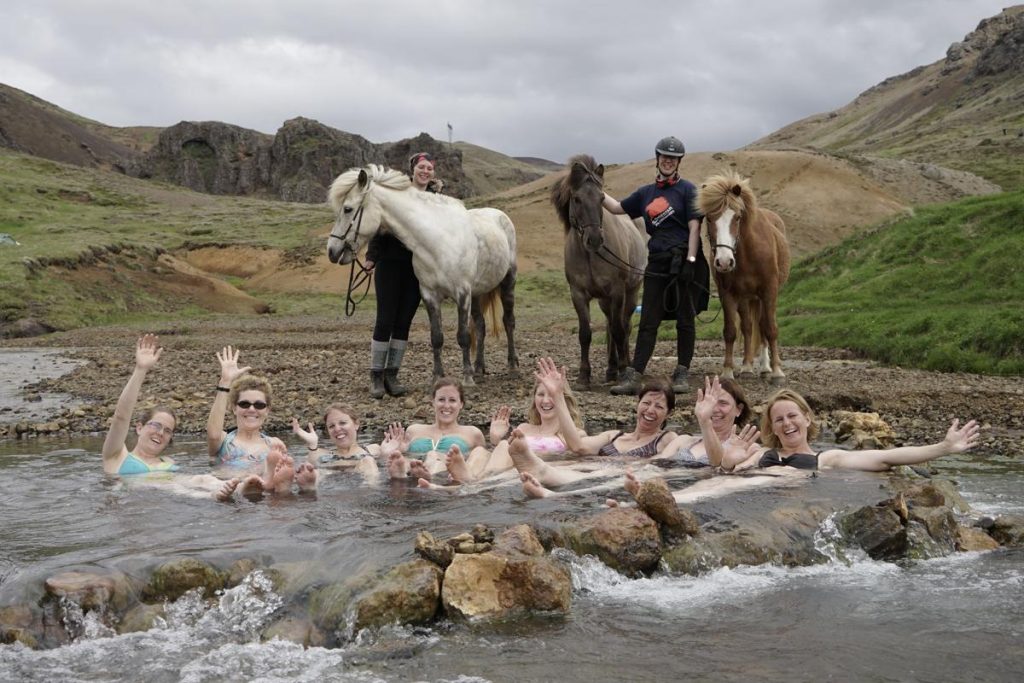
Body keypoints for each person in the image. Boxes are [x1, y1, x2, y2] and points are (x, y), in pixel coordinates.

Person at [602, 136, 710, 395]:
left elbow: (695, 227)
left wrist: (691, 261)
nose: (668, 161)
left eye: (672, 158)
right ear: (658, 159)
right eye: (664, 157)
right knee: (648, 321)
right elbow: (617, 208)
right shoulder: (645, 193)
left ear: (678, 162)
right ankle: (634, 375)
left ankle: (682, 373)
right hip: (657, 262)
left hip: (683, 260)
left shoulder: (688, 190)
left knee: (685, 320)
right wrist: (596, 190)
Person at [100, 335, 252, 501]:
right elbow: (121, 416)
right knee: (168, 485)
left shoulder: (167, 462)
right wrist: (140, 370)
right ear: (139, 427)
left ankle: (237, 487)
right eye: (155, 425)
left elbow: (180, 486)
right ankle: (217, 494)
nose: (160, 433)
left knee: (202, 479)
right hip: (130, 501)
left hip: (167, 496)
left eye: (167, 431)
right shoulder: (116, 455)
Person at [730, 389, 981, 472]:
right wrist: (727, 460)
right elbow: (725, 467)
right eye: (779, 419)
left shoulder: (826, 458)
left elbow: (887, 457)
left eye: (792, 416)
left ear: (807, 419)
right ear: (772, 427)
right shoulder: (759, 451)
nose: (787, 424)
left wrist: (943, 448)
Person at [362, 151, 442, 399]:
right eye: (422, 167)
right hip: (389, 263)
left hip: (417, 267)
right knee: (385, 319)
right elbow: (380, 225)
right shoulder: (398, 193)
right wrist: (372, 256)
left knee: (404, 321)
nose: (425, 171)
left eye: (429, 168)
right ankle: (376, 375)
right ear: (413, 169)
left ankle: (392, 375)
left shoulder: (435, 199)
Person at [206, 346, 316, 492]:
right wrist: (225, 382)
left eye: (259, 405)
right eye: (244, 404)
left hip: (264, 491)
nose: (252, 409)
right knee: (201, 480)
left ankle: (283, 483)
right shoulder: (223, 440)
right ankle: (268, 483)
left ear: (267, 410)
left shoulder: (274, 444)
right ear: (234, 408)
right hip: (231, 488)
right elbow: (213, 434)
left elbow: (285, 467)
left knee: (290, 476)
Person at [380, 377, 487, 481]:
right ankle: (402, 472)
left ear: (461, 404)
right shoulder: (414, 430)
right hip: (412, 472)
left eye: (452, 400)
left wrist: (496, 438)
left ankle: (429, 477)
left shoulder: (473, 433)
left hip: (448, 478)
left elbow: (482, 461)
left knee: (434, 455)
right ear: (433, 402)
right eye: (441, 400)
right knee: (402, 458)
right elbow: (396, 455)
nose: (446, 405)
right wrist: (397, 451)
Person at [654, 377, 758, 469]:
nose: (714, 409)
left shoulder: (747, 449)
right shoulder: (683, 440)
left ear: (738, 409)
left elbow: (721, 472)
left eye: (723, 403)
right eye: (709, 402)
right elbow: (652, 467)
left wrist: (705, 421)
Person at [291, 403, 380, 479]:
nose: (337, 429)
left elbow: (386, 458)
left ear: (356, 424)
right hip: (330, 488)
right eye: (331, 426)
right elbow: (312, 461)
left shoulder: (372, 449)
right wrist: (312, 444)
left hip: (364, 489)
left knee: (368, 461)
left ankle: (370, 487)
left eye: (343, 423)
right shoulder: (322, 454)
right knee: (315, 472)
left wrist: (389, 452)